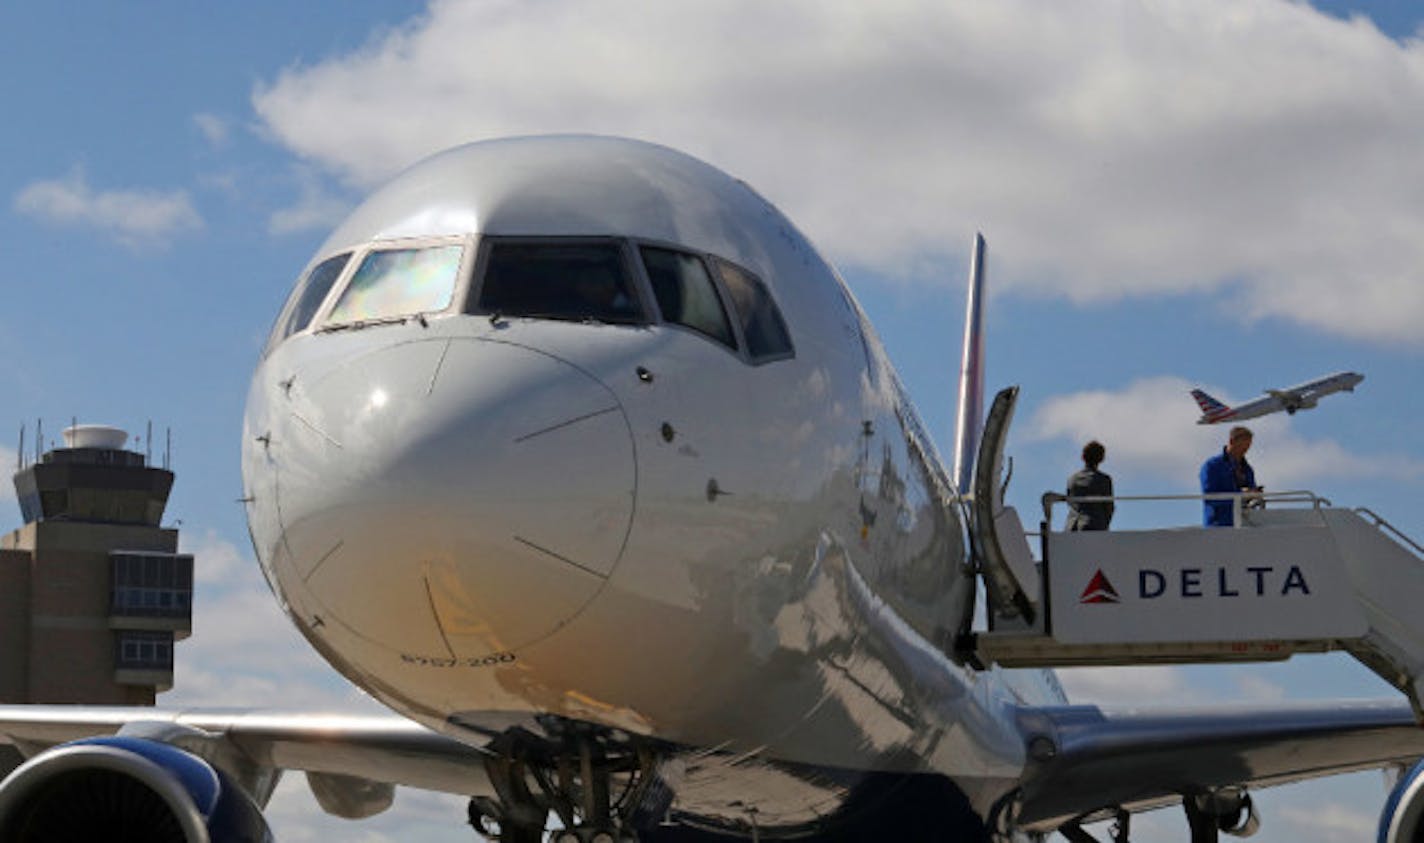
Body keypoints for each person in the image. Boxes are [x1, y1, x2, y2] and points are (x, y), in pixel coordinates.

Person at [1200, 425, 1262, 526]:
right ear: (1232, 442)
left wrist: (1254, 495)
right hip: (1218, 526)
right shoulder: (1212, 466)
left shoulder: (1247, 469)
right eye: (1242, 447)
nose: (1244, 452)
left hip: (1243, 525)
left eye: (1247, 448)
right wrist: (1240, 494)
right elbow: (1210, 497)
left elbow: (1250, 499)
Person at [1065, 440, 1114, 531]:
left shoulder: (1072, 479)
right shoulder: (1104, 479)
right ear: (1101, 459)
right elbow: (1109, 508)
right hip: (1094, 527)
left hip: (1071, 528)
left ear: (1083, 457)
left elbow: (1070, 502)